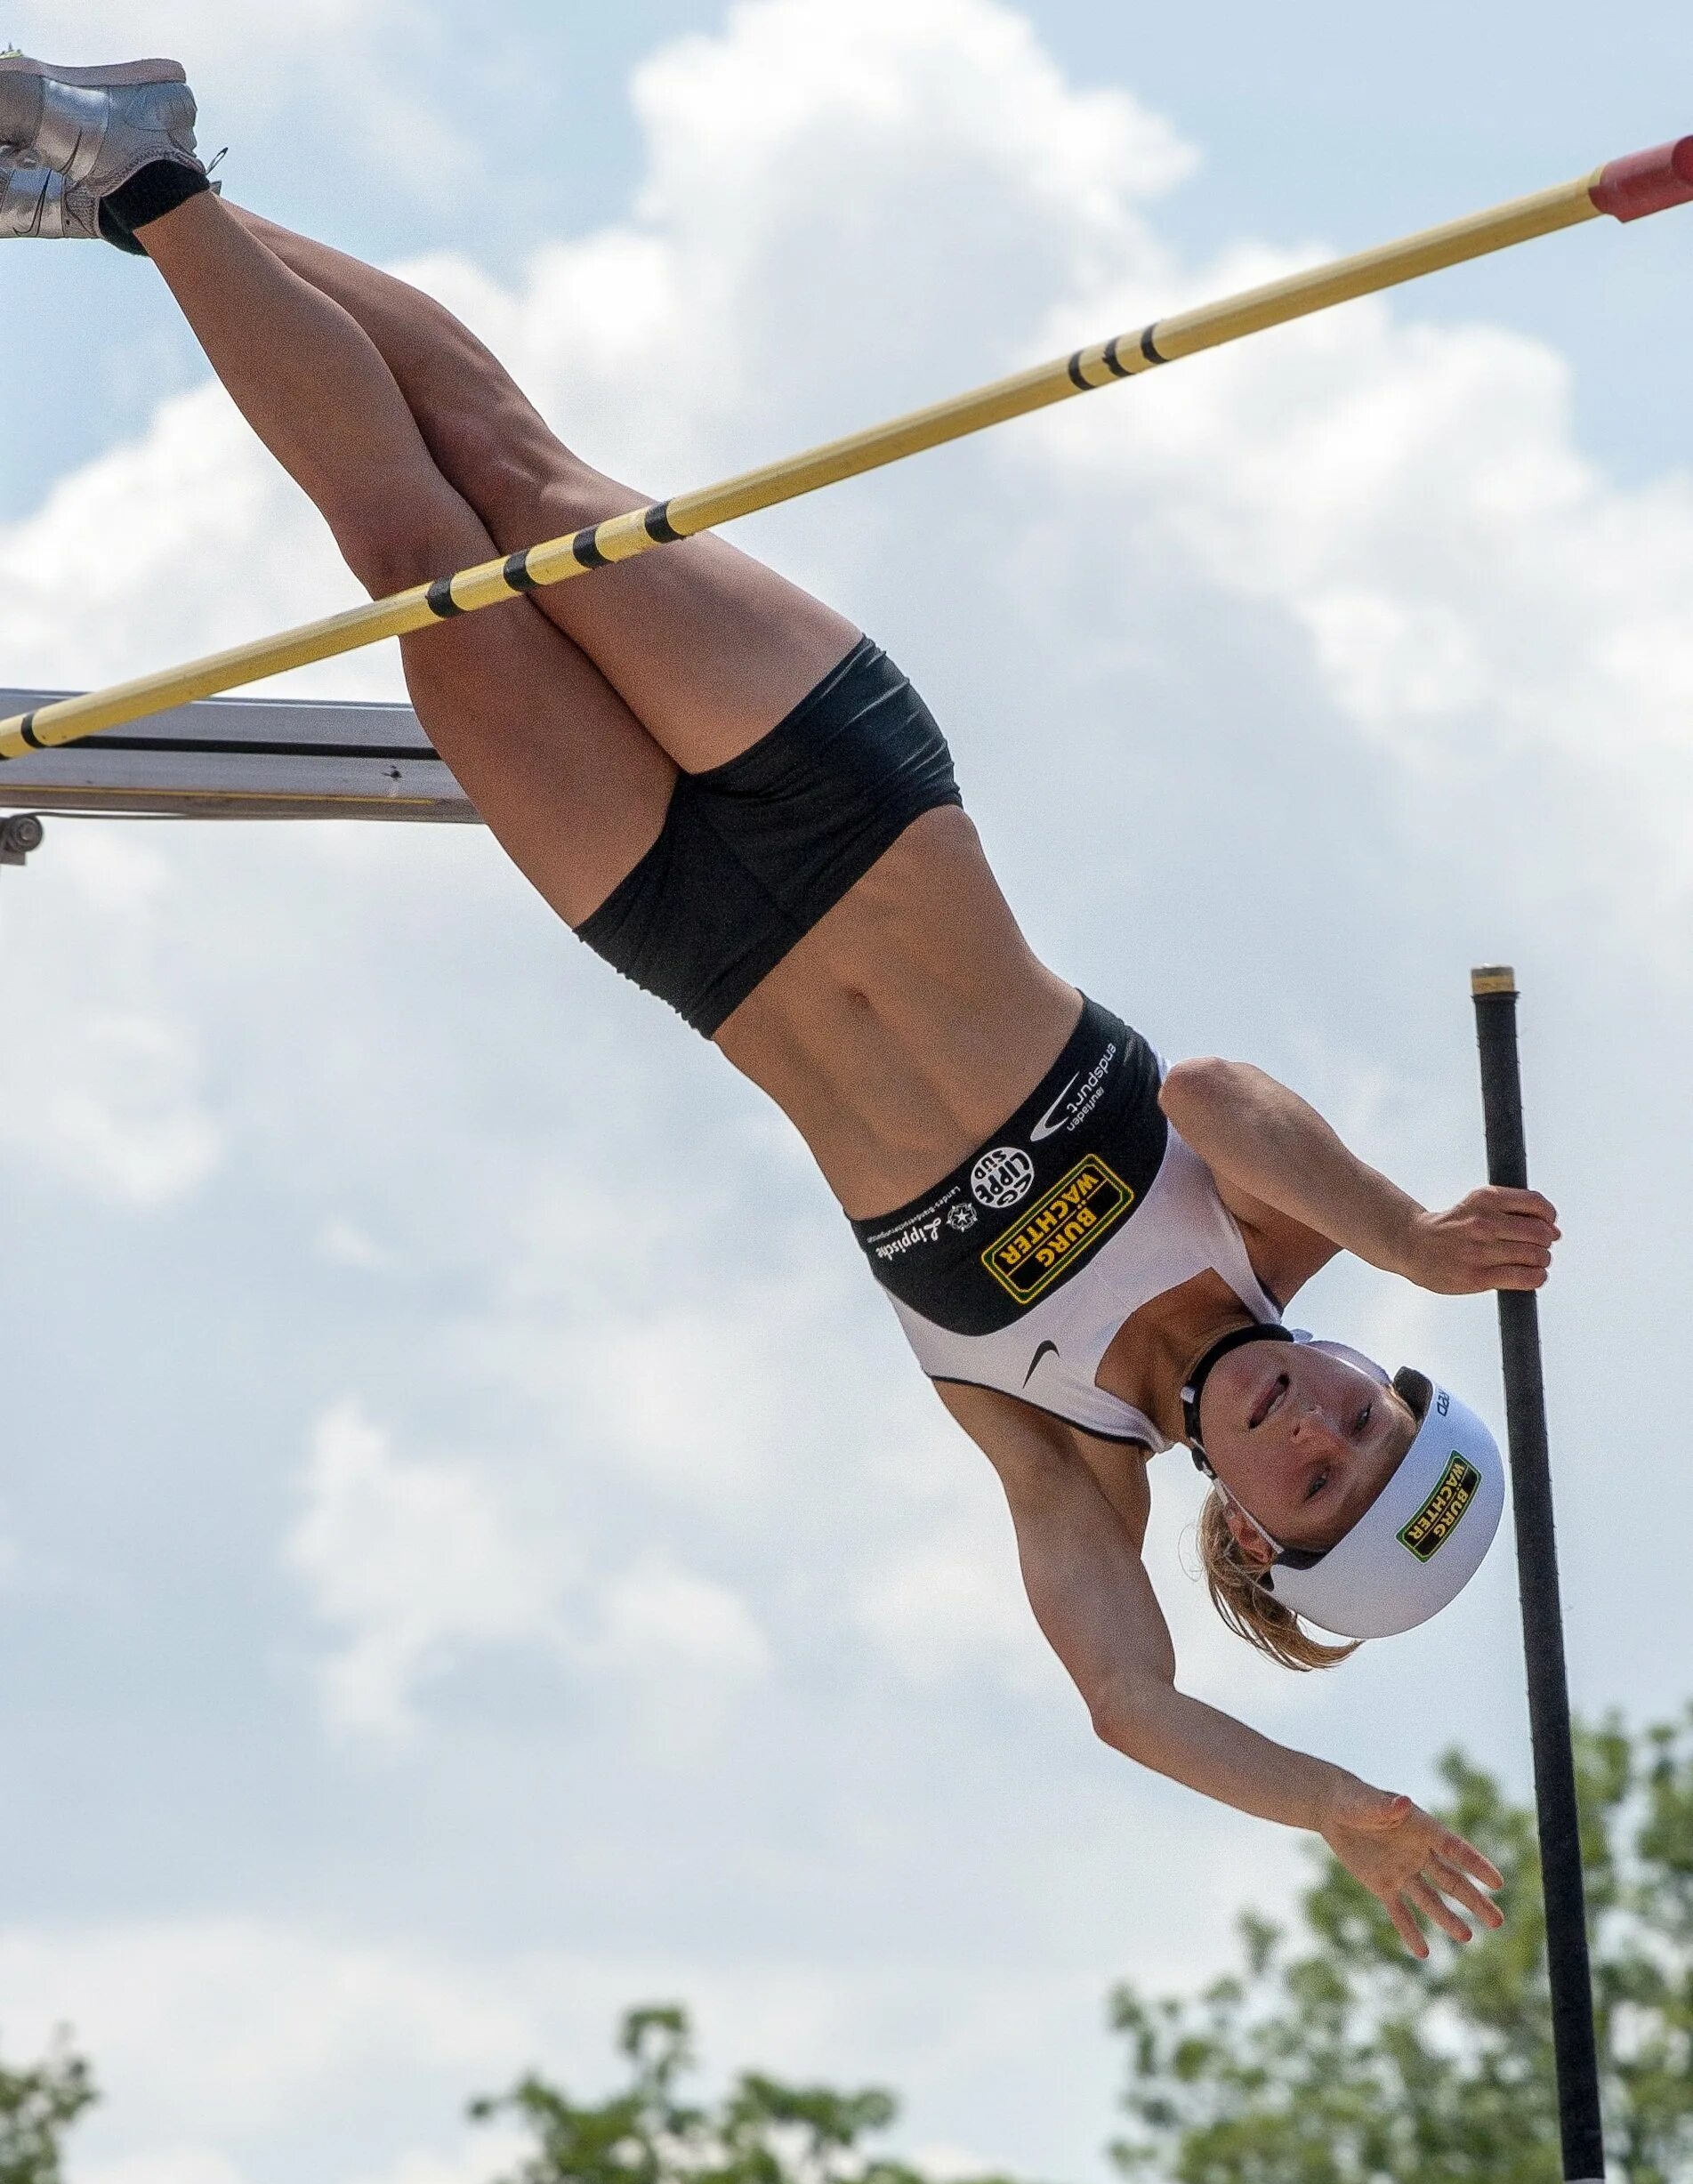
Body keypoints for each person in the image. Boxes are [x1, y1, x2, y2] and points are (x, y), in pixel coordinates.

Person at [1, 59, 1561, 1958]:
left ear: (1249, 1529)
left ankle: (131, 183)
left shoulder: (1060, 1456)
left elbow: (1125, 1701)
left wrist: (1347, 1806)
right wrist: (1403, 1225)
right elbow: (1221, 1089)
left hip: (679, 922)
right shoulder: (1286, 1245)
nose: (1315, 1419)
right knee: (508, 464)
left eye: (1316, 1481)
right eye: (1367, 1415)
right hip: (853, 788)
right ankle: (134, 173)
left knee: (410, 555)